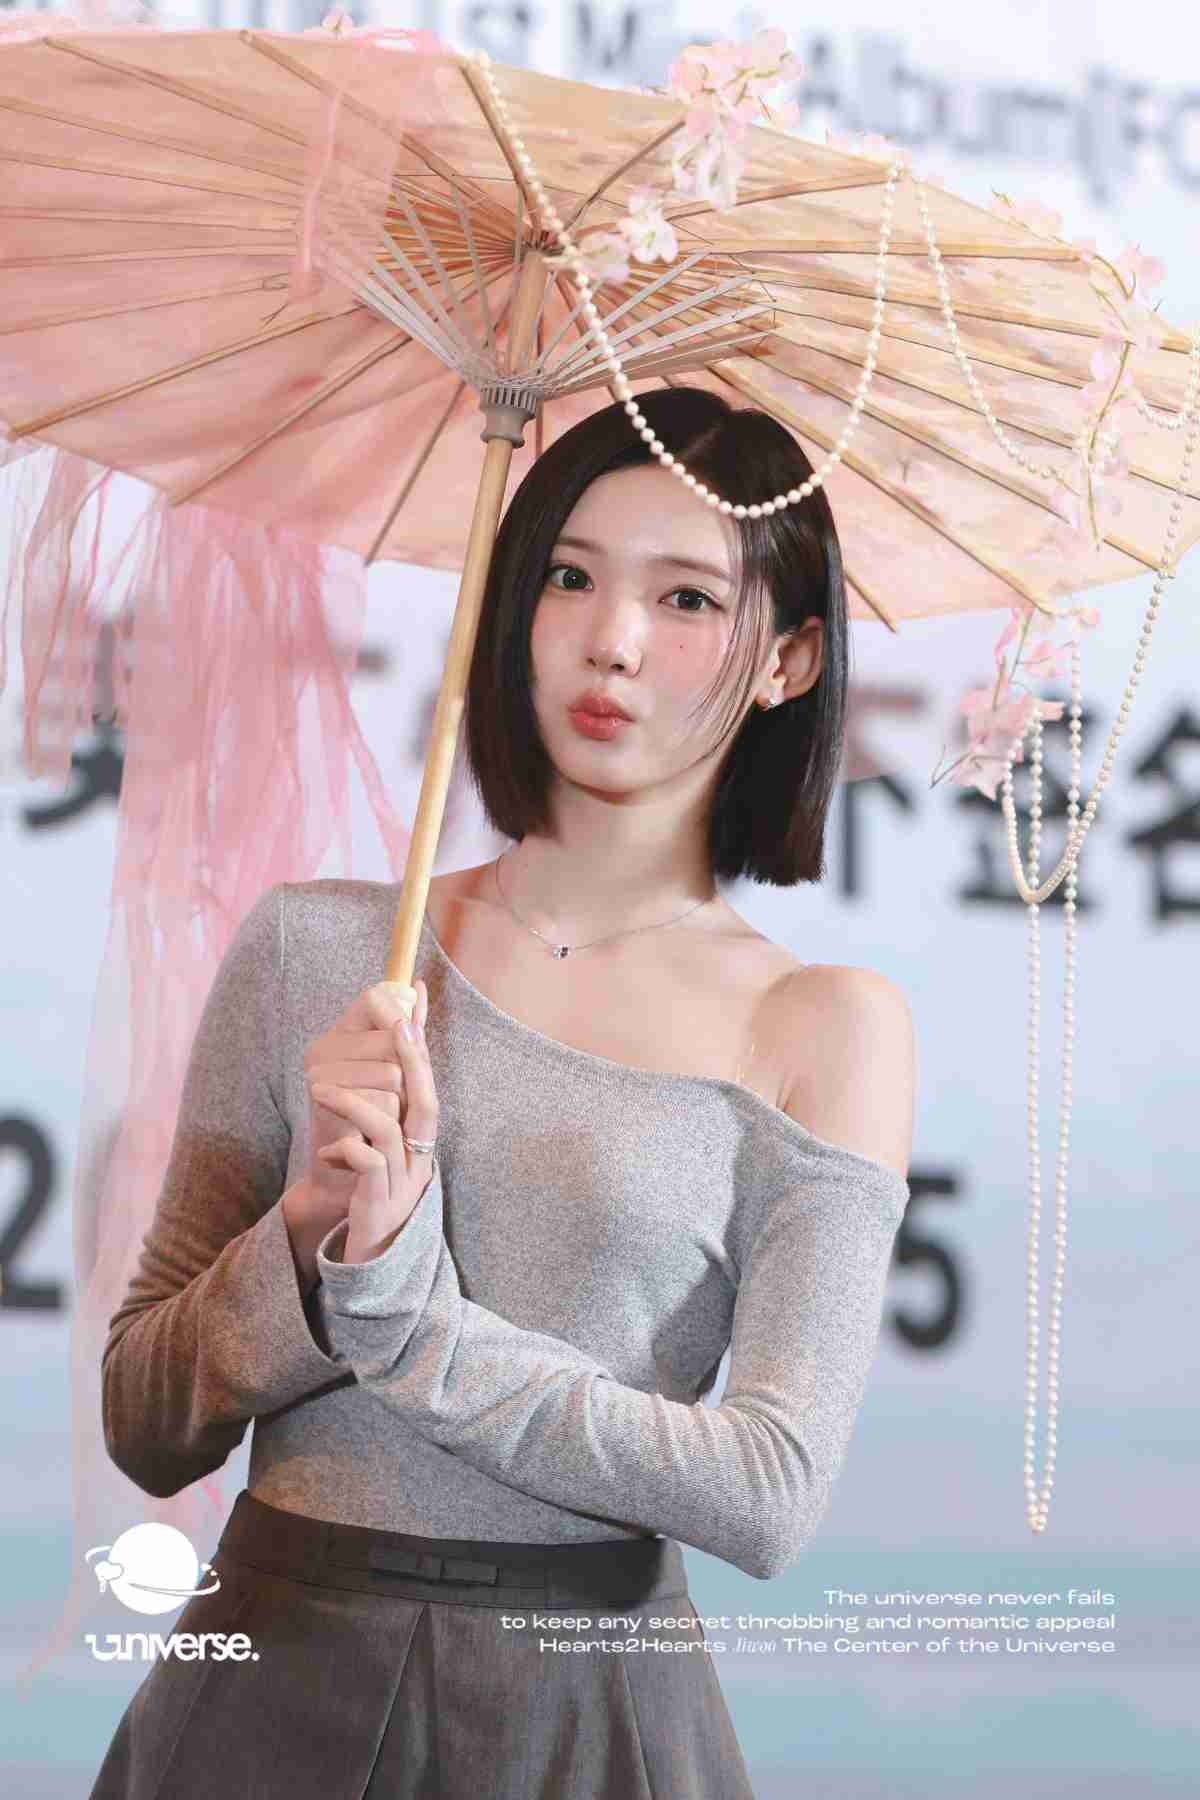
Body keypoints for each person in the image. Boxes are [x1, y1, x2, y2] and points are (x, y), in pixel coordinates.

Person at [87, 385, 916, 1799]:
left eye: (689, 599)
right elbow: (146, 1420)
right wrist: (303, 1239)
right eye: (569, 577)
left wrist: (405, 1318)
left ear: (789, 659)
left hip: (586, 1710)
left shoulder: (823, 1025)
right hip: (268, 1678)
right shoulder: (319, 951)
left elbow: (766, 1492)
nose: (612, 640)